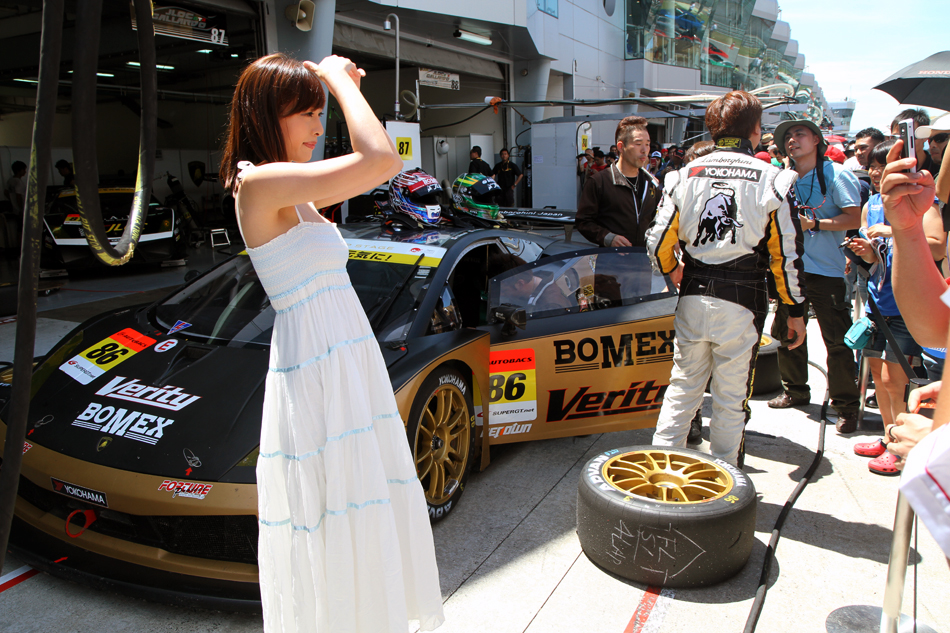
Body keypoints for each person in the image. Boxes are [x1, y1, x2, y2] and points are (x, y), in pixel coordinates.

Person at [219, 53, 444, 632]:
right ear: (267, 114)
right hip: (317, 366)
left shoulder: (290, 187)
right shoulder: (260, 184)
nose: (318, 128)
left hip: (343, 356)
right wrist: (340, 84)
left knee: (358, 503)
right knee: (334, 507)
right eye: (307, 113)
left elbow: (374, 167)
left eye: (321, 114)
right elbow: (383, 160)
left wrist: (336, 88)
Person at [646, 90, 806, 466]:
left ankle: (657, 482)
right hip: (743, 301)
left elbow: (656, 242)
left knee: (681, 391)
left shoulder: (681, 175)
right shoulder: (775, 179)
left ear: (713, 129)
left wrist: (673, 270)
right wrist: (795, 309)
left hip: (692, 293)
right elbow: (786, 255)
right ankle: (725, 488)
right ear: (755, 129)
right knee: (730, 401)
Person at [845, 140, 945, 474]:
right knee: (879, 374)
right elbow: (937, 327)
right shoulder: (876, 204)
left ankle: (896, 443)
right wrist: (900, 232)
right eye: (875, 167)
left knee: (893, 379)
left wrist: (939, 444)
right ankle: (890, 438)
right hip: (880, 302)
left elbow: (937, 248)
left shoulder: (927, 205)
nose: (878, 172)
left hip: (903, 312)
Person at [768, 118, 863, 434]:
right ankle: (795, 390)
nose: (792, 140)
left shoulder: (837, 174)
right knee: (787, 332)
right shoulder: (783, 178)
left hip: (826, 271)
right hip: (790, 270)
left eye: (800, 134)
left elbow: (854, 217)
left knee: (837, 340)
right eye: (787, 137)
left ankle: (846, 406)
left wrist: (816, 225)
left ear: (817, 141)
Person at [576, 115, 660, 248]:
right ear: (621, 146)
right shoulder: (600, 181)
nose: (644, 150)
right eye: (638, 144)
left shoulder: (651, 182)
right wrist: (608, 237)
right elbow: (583, 222)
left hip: (645, 258)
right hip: (612, 258)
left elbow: (658, 219)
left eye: (647, 144)